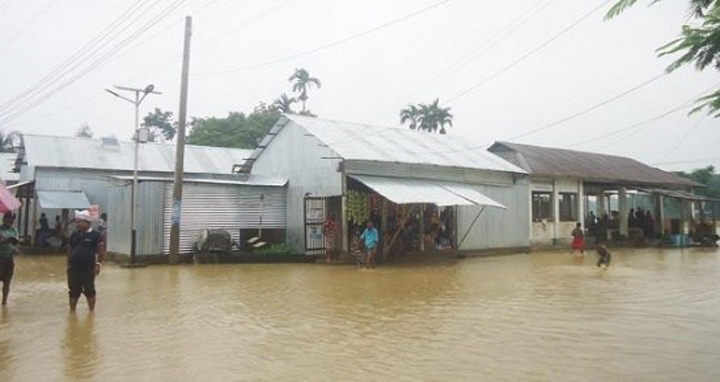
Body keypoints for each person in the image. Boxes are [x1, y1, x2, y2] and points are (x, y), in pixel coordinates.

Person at [67, 210, 104, 312]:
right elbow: (70, 250)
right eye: (77, 222)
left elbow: (101, 250)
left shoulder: (95, 235)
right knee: (73, 291)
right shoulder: (74, 235)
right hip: (73, 268)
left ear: (87, 222)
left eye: (80, 222)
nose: (77, 224)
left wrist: (98, 264)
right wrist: (68, 265)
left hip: (88, 268)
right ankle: (72, 312)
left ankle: (91, 312)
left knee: (89, 290)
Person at [0, 212, 19, 305]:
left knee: (7, 283)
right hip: (0, 258)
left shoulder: (14, 230)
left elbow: (16, 242)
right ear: (3, 220)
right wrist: (4, 240)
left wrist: (15, 248)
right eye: (8, 219)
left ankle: (4, 303)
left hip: (9, 259)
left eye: (11, 220)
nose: (10, 221)